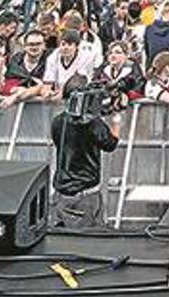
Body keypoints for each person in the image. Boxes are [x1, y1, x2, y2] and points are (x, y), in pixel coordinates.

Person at [49, 74, 120, 228]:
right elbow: (110, 144)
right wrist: (116, 121)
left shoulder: (58, 121)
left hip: (61, 192)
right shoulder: (93, 124)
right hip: (86, 195)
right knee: (90, 240)